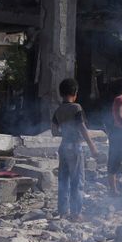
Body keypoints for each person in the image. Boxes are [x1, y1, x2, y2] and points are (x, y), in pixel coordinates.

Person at [51, 79, 98, 220]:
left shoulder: (58, 110)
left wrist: (65, 132)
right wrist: (93, 147)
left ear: (61, 93)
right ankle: (76, 213)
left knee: (63, 181)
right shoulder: (76, 108)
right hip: (75, 147)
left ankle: (63, 211)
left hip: (63, 146)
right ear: (75, 93)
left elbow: (54, 131)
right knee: (77, 180)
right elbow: (82, 128)